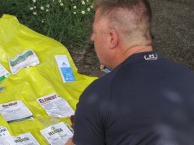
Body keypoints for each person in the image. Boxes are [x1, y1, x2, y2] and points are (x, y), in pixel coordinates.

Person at [66, 0, 194, 144]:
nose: (92, 38)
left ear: (112, 38)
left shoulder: (99, 96)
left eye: (95, 32)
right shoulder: (189, 76)